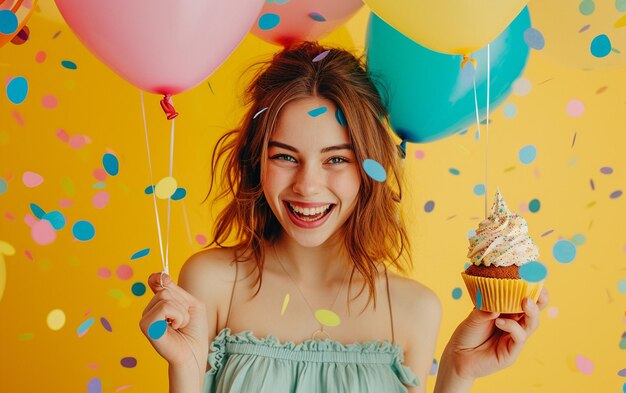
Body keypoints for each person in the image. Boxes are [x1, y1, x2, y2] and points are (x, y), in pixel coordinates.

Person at [139, 41, 548, 393]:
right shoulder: (211, 283)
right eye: (284, 156)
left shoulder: (413, 309)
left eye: (336, 158)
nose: (308, 185)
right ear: (256, 160)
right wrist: (183, 365)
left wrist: (458, 373)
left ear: (369, 167)